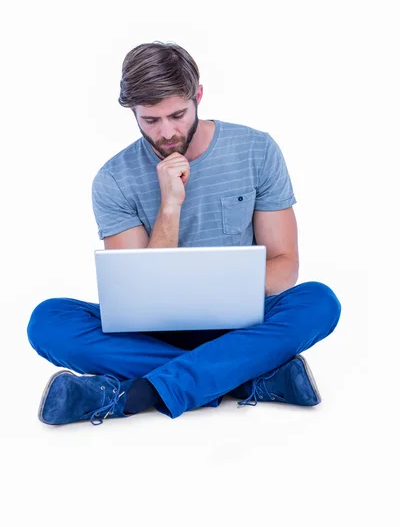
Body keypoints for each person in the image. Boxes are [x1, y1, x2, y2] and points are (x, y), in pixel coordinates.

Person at [27, 41, 342, 427]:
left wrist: (215, 293)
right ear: (133, 113)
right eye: (150, 120)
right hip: (155, 334)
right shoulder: (114, 179)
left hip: (243, 322)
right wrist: (170, 205)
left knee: (319, 302)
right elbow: (139, 292)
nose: (167, 132)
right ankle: (245, 377)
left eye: (177, 114)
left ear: (198, 96)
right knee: (49, 321)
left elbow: (285, 263)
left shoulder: (256, 150)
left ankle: (134, 394)